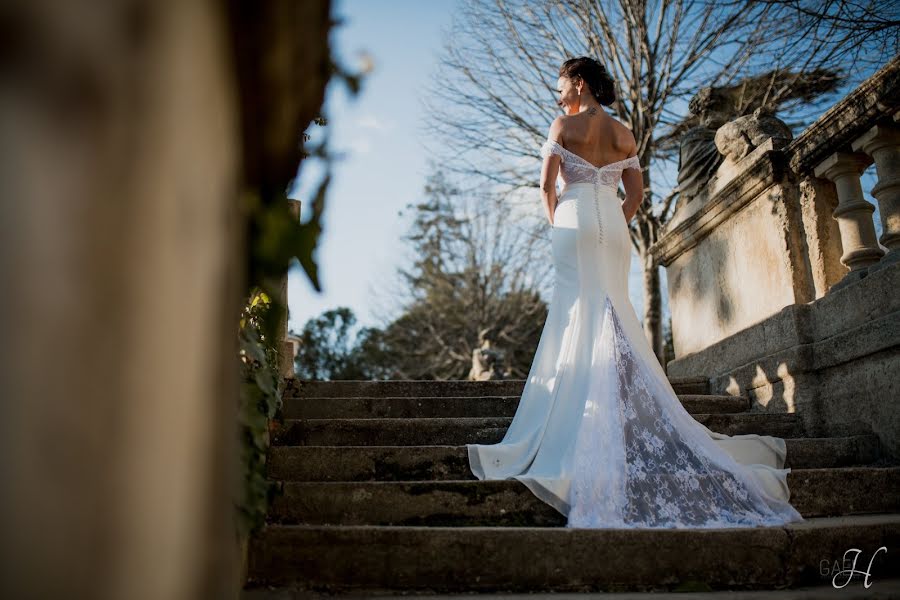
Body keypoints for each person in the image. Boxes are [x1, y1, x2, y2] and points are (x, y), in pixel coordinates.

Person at [466, 56, 805, 529]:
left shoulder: (563, 123)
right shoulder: (624, 132)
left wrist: (560, 221)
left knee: (574, 313)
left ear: (579, 84)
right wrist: (613, 225)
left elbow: (547, 186)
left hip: (575, 219)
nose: (557, 93)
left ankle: (575, 415)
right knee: (613, 311)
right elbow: (637, 195)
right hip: (612, 223)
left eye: (561, 84)